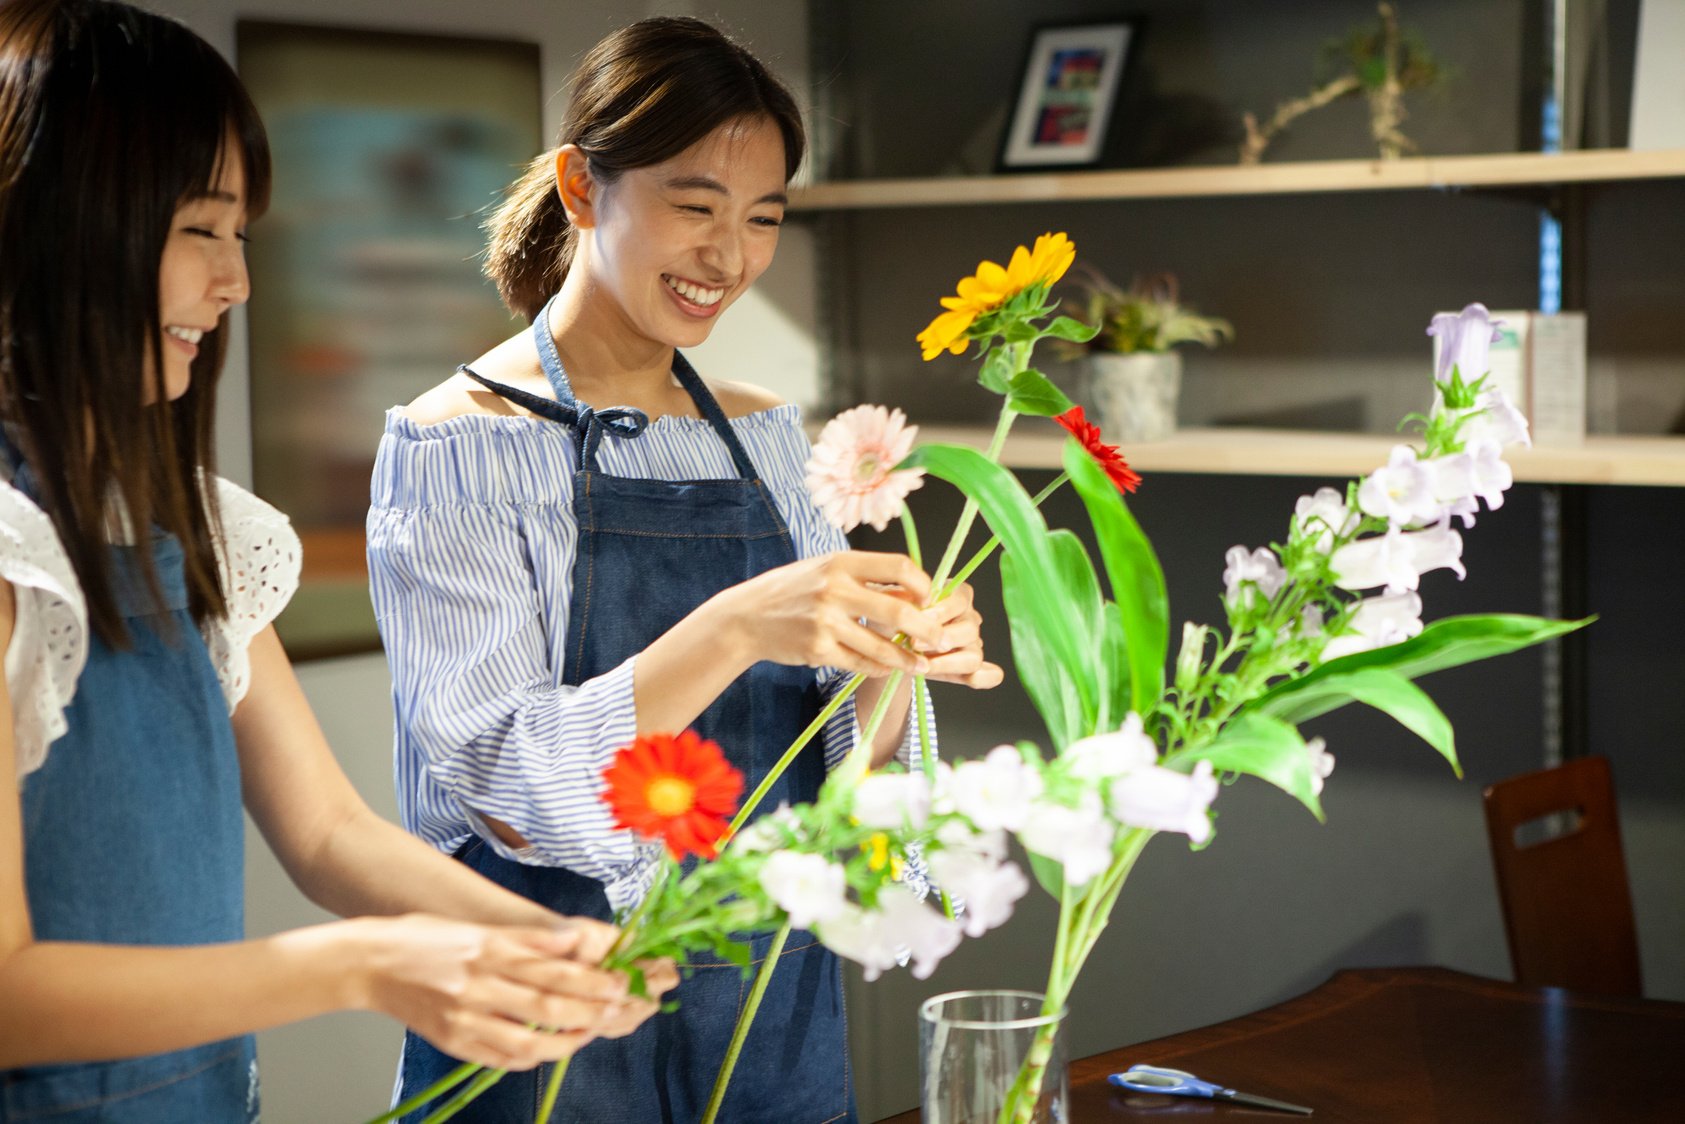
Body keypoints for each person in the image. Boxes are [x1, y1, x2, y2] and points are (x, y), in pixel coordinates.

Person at [0, 3, 673, 1120]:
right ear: (68, 225)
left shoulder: (194, 529)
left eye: (242, 236)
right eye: (200, 232)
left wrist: (548, 940)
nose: (237, 285)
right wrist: (359, 964)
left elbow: (327, 831)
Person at [369, 14, 1004, 1123]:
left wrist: (894, 658)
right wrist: (739, 624)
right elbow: (507, 787)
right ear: (579, 187)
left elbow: (832, 762)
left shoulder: (759, 433)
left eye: (761, 217)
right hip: (551, 1016)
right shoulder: (457, 444)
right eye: (694, 204)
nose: (731, 256)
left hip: (773, 1011)